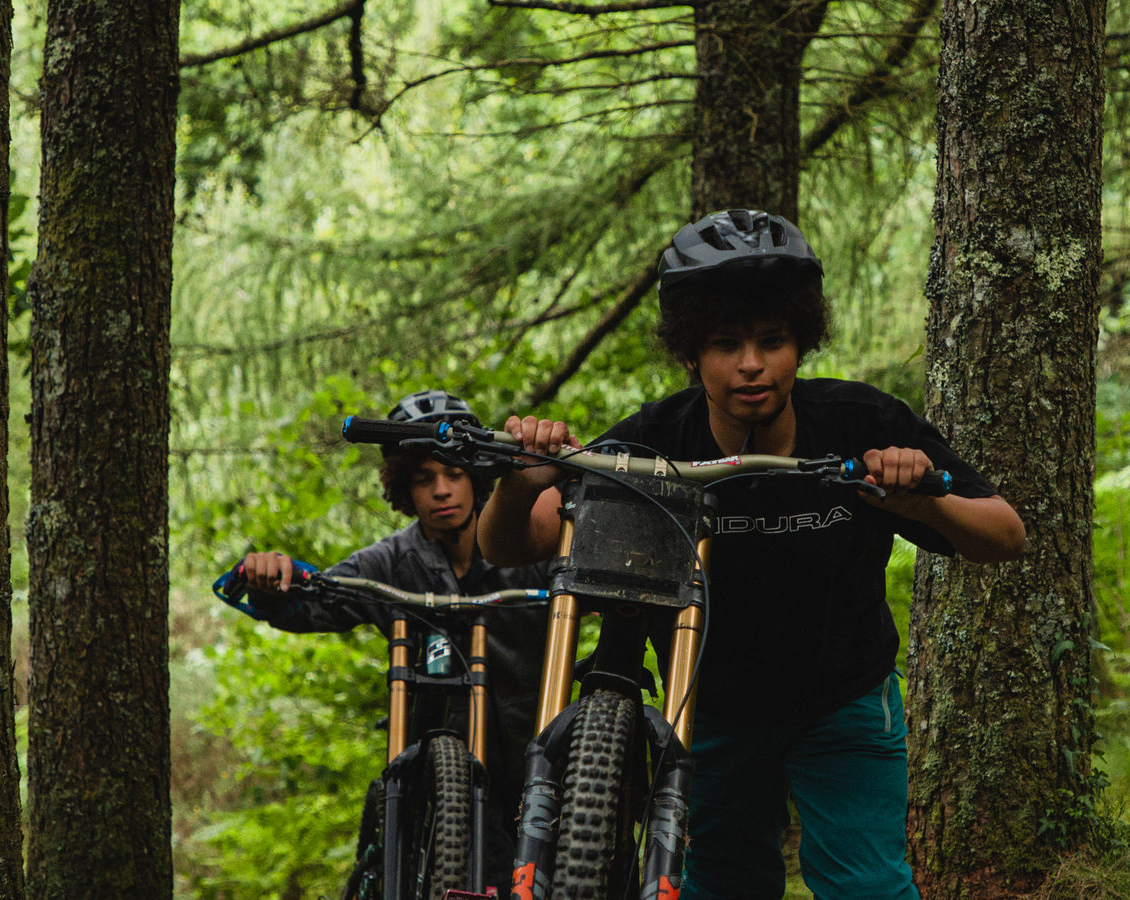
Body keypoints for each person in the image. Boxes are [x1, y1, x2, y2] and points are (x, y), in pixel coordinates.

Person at [478, 210, 1026, 900]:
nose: (751, 364)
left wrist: (920, 503)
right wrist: (518, 482)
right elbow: (509, 544)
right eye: (724, 343)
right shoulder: (654, 443)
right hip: (711, 712)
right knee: (722, 887)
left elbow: (1006, 534)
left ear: (801, 343)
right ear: (691, 353)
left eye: (773, 341)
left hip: (845, 704)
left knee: (869, 888)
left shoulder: (861, 424)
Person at [232, 389, 550, 898]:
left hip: (532, 765)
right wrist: (270, 581)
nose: (441, 491)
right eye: (424, 479)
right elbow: (314, 602)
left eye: (454, 474)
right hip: (436, 785)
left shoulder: (527, 545)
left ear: (476, 478)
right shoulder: (391, 561)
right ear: (405, 488)